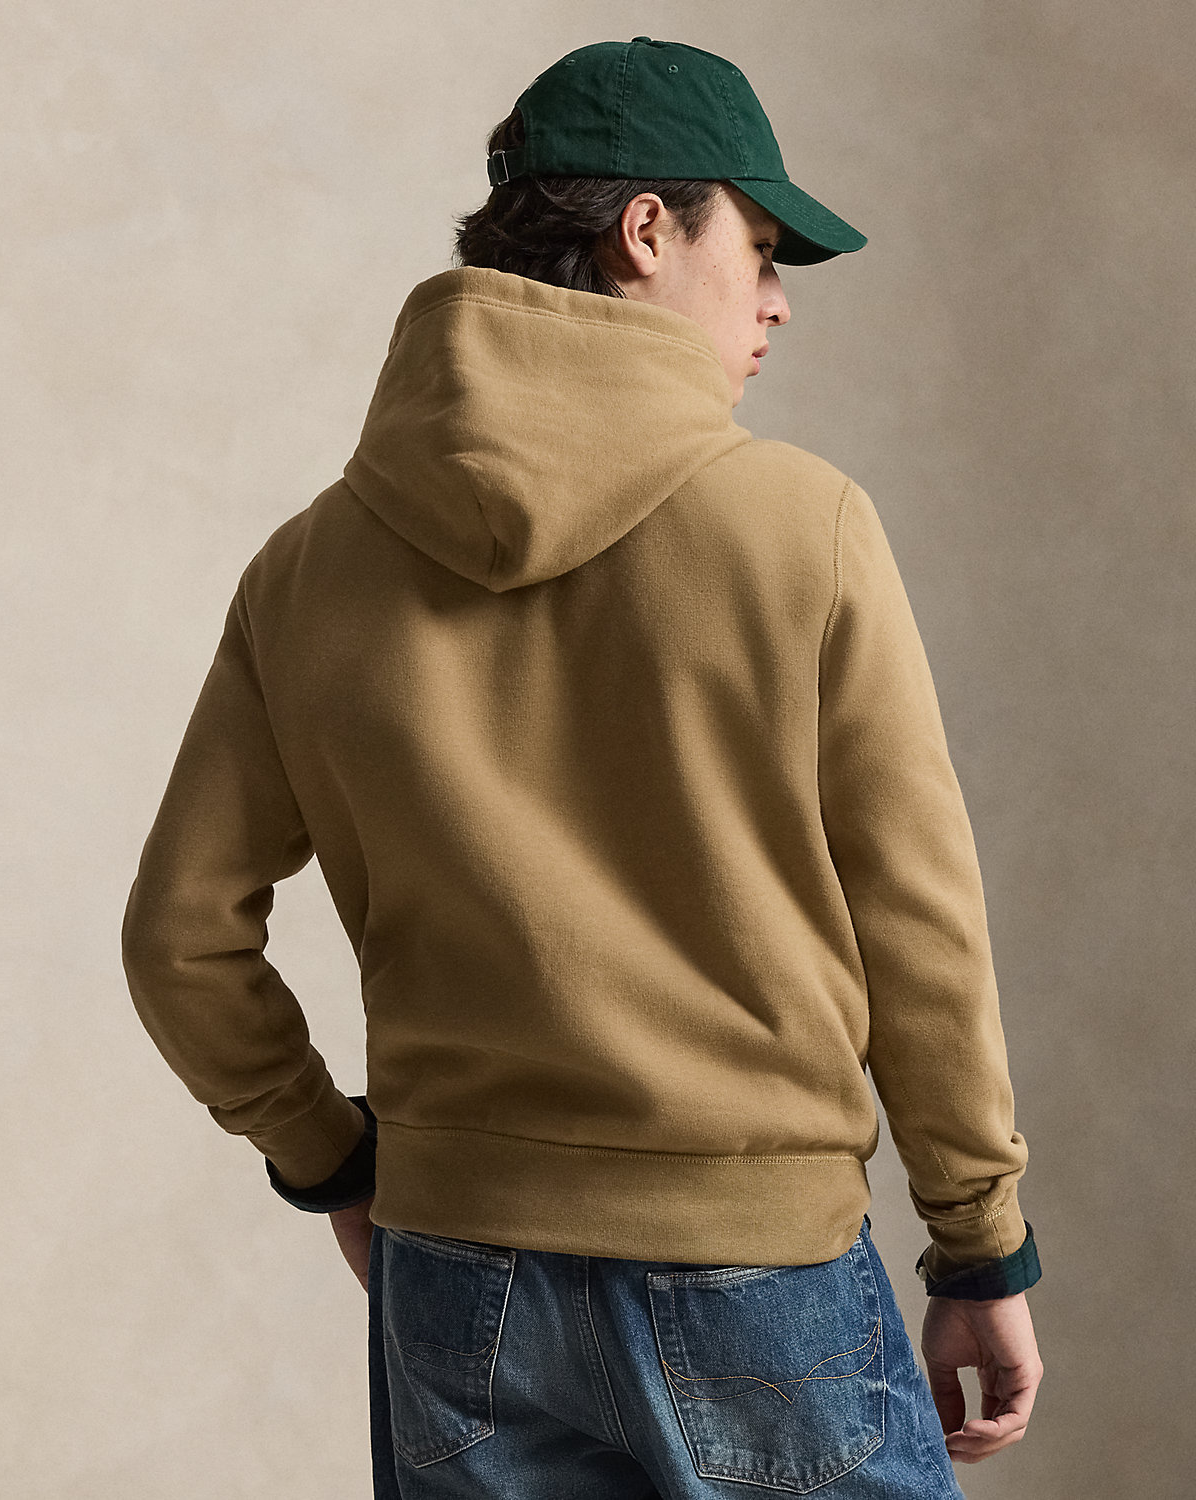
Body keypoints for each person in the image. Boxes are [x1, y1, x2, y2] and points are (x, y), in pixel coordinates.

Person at [121, 35, 1044, 1499]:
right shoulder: (801, 530)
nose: (777, 300)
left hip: (456, 1278)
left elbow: (178, 942)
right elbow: (917, 920)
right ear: (647, 233)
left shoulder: (308, 568)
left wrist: (334, 1161)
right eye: (759, 250)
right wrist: (979, 1240)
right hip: (755, 1268)